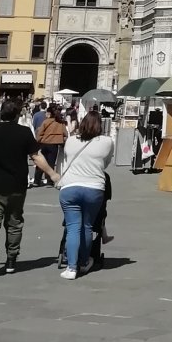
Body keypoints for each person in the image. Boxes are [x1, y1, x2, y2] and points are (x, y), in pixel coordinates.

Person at [0, 98, 60, 277]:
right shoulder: (24, 133)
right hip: (17, 187)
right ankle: (11, 260)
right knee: (14, 223)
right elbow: (36, 157)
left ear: (0, 113)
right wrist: (52, 174)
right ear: (17, 115)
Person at [57, 109, 116, 279]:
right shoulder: (107, 142)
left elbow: (67, 158)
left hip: (70, 187)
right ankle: (84, 262)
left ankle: (71, 268)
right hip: (94, 187)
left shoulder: (71, 140)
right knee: (87, 226)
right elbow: (105, 163)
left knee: (73, 227)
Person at [34, 103, 67, 187]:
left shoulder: (46, 121)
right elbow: (65, 133)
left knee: (41, 162)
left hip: (44, 143)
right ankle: (49, 181)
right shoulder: (60, 122)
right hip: (54, 144)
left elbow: (40, 133)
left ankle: (37, 180)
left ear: (49, 113)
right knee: (51, 162)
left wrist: (38, 141)